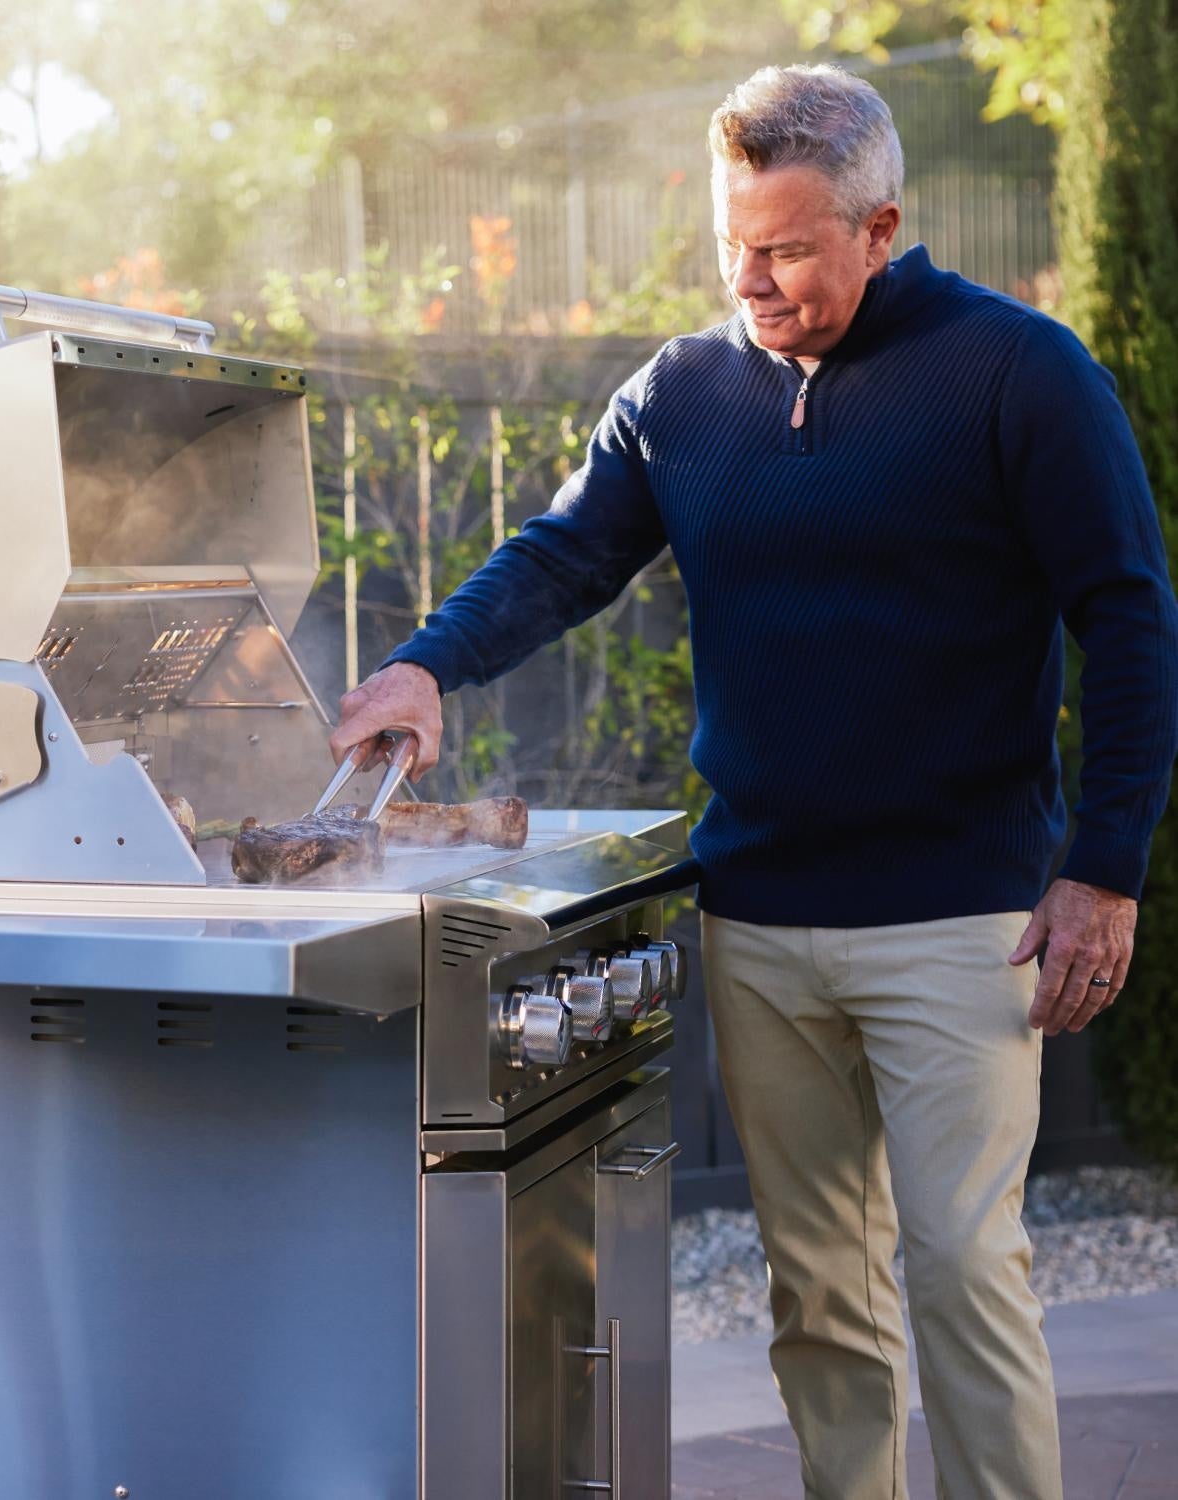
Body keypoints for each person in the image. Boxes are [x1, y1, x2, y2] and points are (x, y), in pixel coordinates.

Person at [330, 62, 1178, 1500]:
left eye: (789, 247)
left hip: (960, 917)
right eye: (734, 244)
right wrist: (426, 665)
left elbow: (1129, 612)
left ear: (880, 226)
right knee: (819, 1295)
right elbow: (561, 555)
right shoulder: (682, 392)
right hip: (764, 920)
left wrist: (1103, 866)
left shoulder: (1017, 375)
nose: (756, 279)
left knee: (966, 1267)